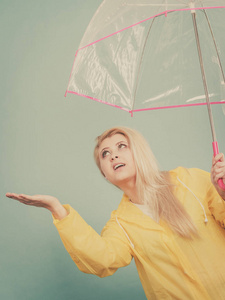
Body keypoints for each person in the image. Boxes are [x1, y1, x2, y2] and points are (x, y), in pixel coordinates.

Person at [6, 126, 225, 300]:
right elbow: (101, 259)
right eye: (105, 153)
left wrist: (223, 193)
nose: (113, 156)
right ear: (104, 174)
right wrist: (57, 209)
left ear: (139, 151)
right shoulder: (120, 224)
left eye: (122, 146)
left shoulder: (191, 181)